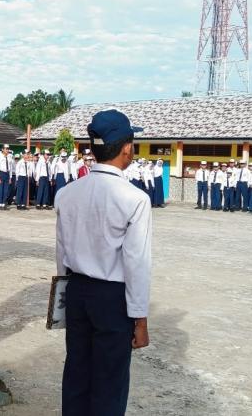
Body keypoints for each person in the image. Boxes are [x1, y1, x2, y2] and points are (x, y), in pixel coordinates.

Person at [55, 109, 151, 416]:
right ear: (126, 148)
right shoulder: (134, 198)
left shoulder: (68, 193)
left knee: (77, 375)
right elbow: (136, 263)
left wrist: (64, 296)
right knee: (109, 382)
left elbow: (62, 252)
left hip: (78, 292)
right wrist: (140, 319)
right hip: (112, 298)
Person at [0, 145, 14, 210]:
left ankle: (3, 203)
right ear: (2, 149)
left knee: (6, 190)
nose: (7, 150)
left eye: (8, 149)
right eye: (6, 149)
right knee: (0, 189)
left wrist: (10, 177)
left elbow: (10, 168)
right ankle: (0, 204)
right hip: (1, 173)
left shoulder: (9, 157)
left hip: (7, 174)